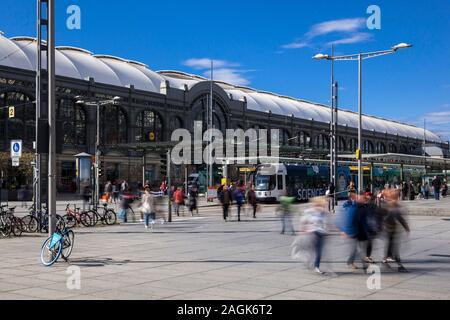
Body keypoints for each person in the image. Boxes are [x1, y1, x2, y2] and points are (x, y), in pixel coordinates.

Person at [381, 189, 410, 272]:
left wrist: (406, 226)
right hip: (388, 228)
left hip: (393, 229)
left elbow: (399, 217)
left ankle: (387, 259)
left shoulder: (394, 204)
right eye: (396, 195)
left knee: (392, 245)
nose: (398, 197)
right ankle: (398, 264)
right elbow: (382, 216)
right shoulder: (387, 204)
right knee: (392, 245)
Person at [298, 197, 329, 274]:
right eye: (319, 205)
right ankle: (308, 261)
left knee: (319, 251)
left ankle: (316, 267)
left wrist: (327, 230)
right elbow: (303, 221)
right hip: (312, 233)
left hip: (321, 233)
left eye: (322, 205)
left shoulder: (323, 212)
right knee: (311, 250)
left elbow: (326, 223)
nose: (321, 207)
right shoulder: (309, 212)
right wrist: (302, 230)